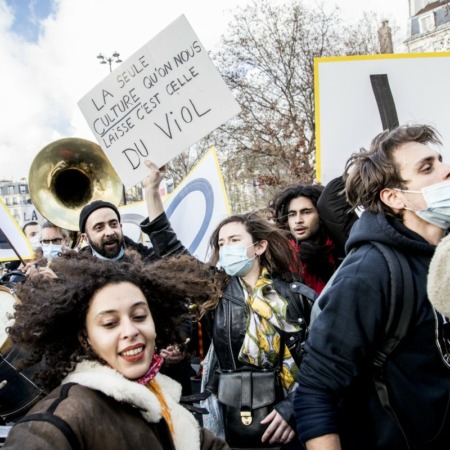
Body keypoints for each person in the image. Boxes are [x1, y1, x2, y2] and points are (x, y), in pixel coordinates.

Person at [294, 124, 450, 449]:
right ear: (394, 197)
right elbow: (316, 391)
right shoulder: (369, 272)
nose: (446, 171)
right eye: (427, 167)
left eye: (440, 160)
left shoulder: (445, 254)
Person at [3, 252, 229, 450]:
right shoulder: (63, 416)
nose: (130, 331)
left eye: (139, 316)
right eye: (110, 323)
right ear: (85, 338)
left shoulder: (162, 399)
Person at [270, 184, 336, 293]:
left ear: (320, 215)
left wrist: (325, 268)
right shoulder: (278, 254)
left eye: (306, 212)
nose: (298, 220)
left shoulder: (339, 247)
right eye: (292, 214)